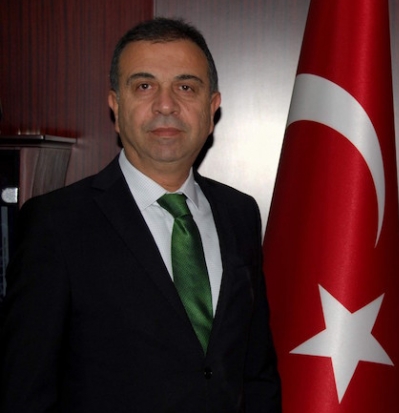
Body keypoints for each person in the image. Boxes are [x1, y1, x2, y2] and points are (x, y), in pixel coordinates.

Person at [0, 17, 281, 412]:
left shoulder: (240, 214)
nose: (166, 105)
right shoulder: (55, 224)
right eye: (144, 86)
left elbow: (256, 371)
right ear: (116, 106)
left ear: (211, 108)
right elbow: (25, 391)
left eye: (186, 87)